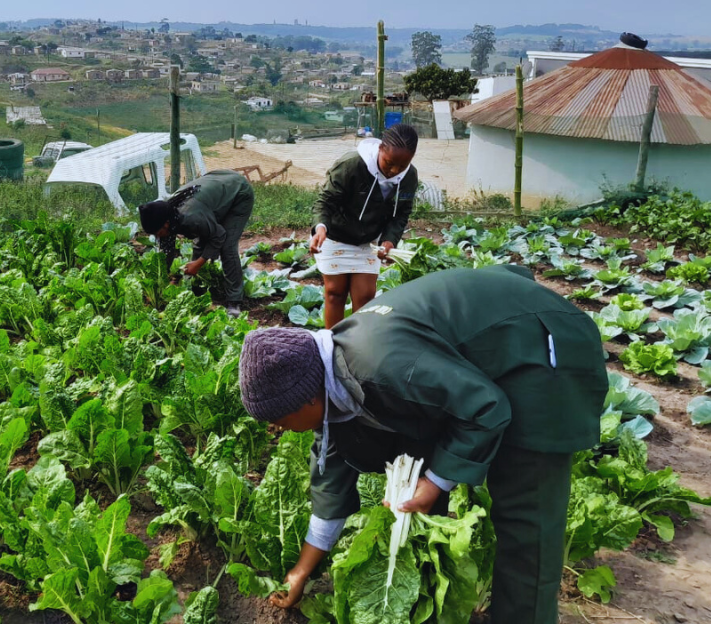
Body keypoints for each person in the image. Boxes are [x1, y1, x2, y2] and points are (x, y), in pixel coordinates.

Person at [237, 265, 608, 624]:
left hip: (538, 346)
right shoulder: (327, 374)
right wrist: (301, 571)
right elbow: (330, 478)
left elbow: (485, 407)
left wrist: (436, 482)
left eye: (280, 420)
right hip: (486, 339)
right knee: (411, 439)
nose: (280, 430)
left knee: (527, 510)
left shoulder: (381, 366)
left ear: (308, 399)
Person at [309, 124, 419, 328]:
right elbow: (325, 201)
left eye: (402, 166)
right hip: (335, 236)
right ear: (380, 149)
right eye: (389, 163)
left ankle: (359, 349)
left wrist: (389, 240)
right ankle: (332, 346)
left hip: (369, 242)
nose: (394, 170)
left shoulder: (409, 177)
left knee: (365, 297)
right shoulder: (351, 165)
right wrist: (320, 227)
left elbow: (401, 213)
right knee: (335, 293)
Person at [138, 169, 254, 317]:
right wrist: (167, 280)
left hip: (238, 192)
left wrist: (198, 263)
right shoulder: (167, 214)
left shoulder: (190, 216)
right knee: (200, 240)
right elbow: (166, 254)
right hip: (218, 184)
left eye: (157, 232)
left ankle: (234, 301)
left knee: (227, 247)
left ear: (166, 224)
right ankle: (195, 285)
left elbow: (219, 236)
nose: (157, 237)